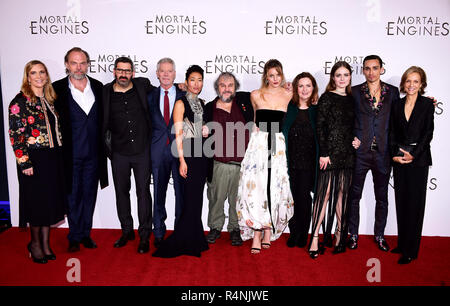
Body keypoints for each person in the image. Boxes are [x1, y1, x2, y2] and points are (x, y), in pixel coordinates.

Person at [8, 60, 66, 263]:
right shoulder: (20, 102)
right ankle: (34, 244)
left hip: (52, 157)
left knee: (49, 203)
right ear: (27, 76)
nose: (39, 76)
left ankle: (45, 243)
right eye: (34, 73)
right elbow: (16, 135)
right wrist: (24, 163)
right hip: (33, 160)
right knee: (37, 204)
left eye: (42, 72)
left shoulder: (50, 100)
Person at [53, 47, 108, 252]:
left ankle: (85, 233)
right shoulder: (56, 89)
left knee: (89, 195)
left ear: (88, 64)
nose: (79, 67)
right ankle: (74, 236)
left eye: (83, 62)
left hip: (94, 154)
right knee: (73, 195)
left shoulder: (97, 86)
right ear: (67, 65)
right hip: (70, 155)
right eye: (74, 62)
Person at [237, 59, 294, 254]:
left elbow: (309, 97)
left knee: (274, 186)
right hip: (259, 145)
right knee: (256, 187)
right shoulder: (255, 94)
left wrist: (292, 86)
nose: (275, 78)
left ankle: (268, 229)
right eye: (271, 75)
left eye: (278, 74)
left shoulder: (289, 94)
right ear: (266, 77)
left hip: (278, 146)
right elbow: (247, 113)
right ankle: (256, 232)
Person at [152, 65, 209, 258]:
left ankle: (195, 237)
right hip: (188, 156)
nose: (196, 83)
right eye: (192, 79)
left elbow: (200, 128)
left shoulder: (201, 102)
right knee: (190, 199)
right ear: (186, 81)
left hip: (202, 156)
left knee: (196, 200)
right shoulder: (180, 103)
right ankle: (185, 240)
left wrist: (206, 129)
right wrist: (182, 161)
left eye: (199, 80)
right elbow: (177, 134)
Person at [347, 55, 400, 252]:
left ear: (381, 69)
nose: (371, 72)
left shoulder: (393, 92)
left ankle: (379, 235)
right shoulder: (354, 92)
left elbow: (400, 117)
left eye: (375, 68)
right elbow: (346, 119)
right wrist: (352, 137)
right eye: (367, 68)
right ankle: (352, 234)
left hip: (383, 153)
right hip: (360, 153)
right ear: (363, 70)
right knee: (354, 197)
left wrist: (425, 104)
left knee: (382, 198)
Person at [102, 57, 154, 253]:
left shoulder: (142, 86)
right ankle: (126, 231)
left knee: (143, 194)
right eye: (120, 70)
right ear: (114, 71)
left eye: (127, 71)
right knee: (121, 193)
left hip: (142, 151)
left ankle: (144, 235)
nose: (123, 74)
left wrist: (179, 85)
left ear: (133, 73)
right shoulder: (105, 92)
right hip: (119, 153)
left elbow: (164, 88)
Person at [308, 61, 355, 258]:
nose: (342, 78)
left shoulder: (353, 99)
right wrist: (324, 153)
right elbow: (320, 127)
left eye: (346, 74)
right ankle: (315, 237)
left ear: (350, 77)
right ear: (333, 78)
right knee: (324, 195)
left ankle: (339, 234)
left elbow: (355, 126)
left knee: (343, 194)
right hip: (329, 154)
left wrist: (357, 139)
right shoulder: (327, 98)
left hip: (347, 154)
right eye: (338, 75)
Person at [389, 66, 434, 264]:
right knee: (401, 203)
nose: (411, 85)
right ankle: (402, 242)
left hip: (418, 160)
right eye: (408, 81)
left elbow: (428, 134)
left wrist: (413, 155)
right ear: (403, 83)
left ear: (421, 84)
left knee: (415, 205)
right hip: (399, 158)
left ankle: (411, 250)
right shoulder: (396, 105)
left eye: (416, 81)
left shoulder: (426, 105)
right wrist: (394, 155)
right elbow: (391, 133)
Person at [203, 72, 253, 246]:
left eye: (230, 85)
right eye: (222, 85)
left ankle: (235, 229)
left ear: (235, 88)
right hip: (218, 164)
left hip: (242, 165)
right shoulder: (208, 108)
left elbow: (265, 93)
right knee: (216, 199)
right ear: (217, 87)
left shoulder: (245, 103)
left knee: (237, 200)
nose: (226, 89)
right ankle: (215, 228)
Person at [147, 58, 185, 248]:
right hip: (157, 151)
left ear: (175, 73)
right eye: (162, 71)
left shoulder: (184, 94)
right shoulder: (149, 95)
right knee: (158, 194)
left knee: (181, 195)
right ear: (157, 73)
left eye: (169, 71)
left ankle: (179, 232)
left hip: (179, 152)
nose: (166, 74)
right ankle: (159, 232)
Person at [282, 72, 319, 248]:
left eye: (308, 86)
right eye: (301, 86)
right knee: (292, 198)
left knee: (304, 199)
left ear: (313, 89)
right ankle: (293, 231)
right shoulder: (289, 108)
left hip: (309, 163)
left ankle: (303, 234)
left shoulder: (316, 111)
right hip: (290, 162)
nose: (304, 89)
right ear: (296, 88)